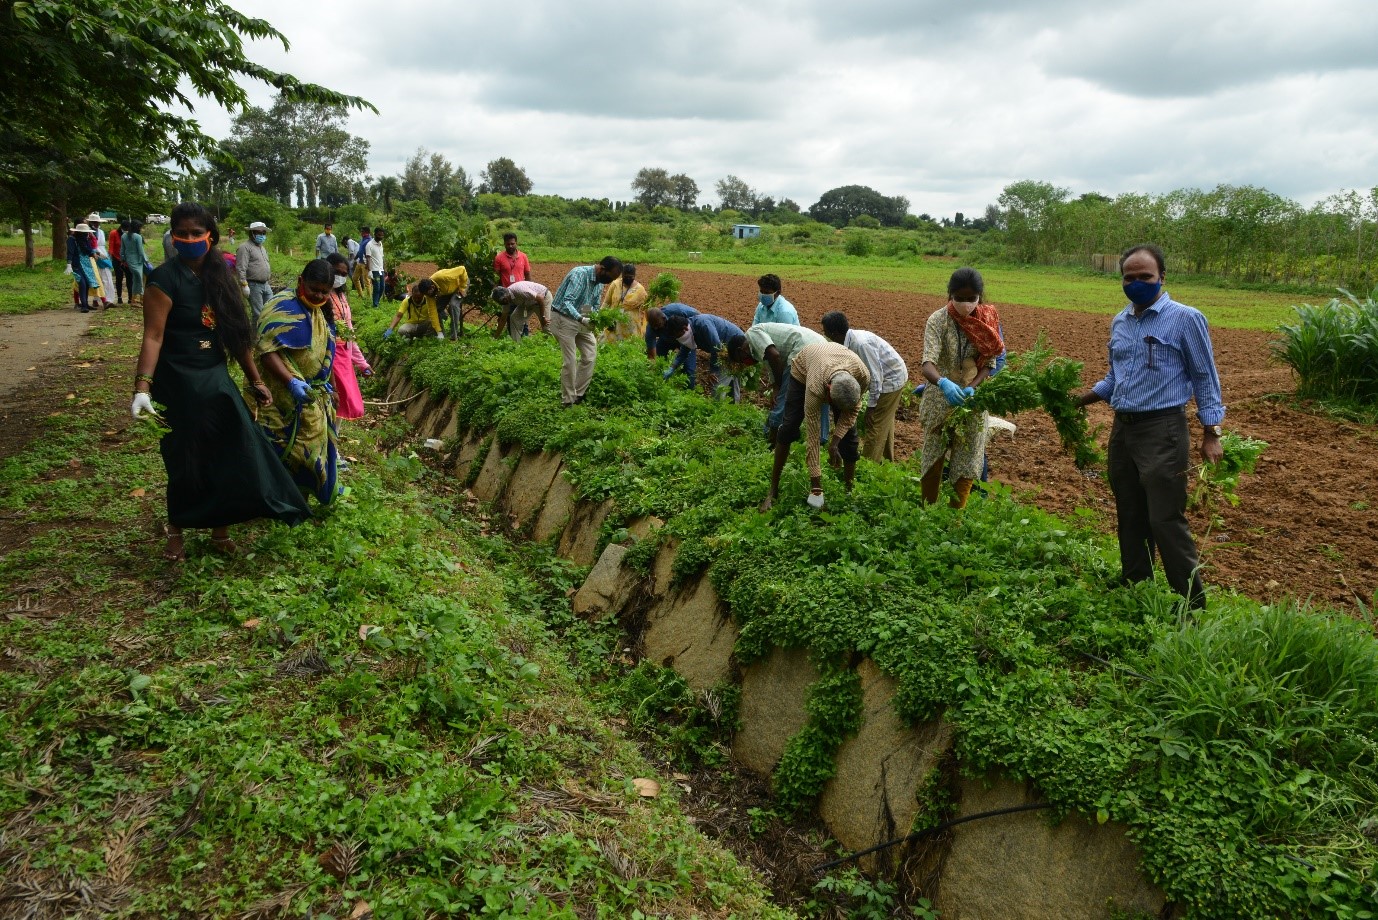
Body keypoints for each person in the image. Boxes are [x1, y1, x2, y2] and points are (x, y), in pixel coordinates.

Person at [131, 202, 309, 561]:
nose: (189, 239)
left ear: (210, 235)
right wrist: (142, 388)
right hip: (178, 377)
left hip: (213, 376)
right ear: (173, 236)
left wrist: (256, 380)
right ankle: (176, 532)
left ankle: (220, 531)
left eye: (197, 233)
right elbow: (153, 336)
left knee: (230, 450)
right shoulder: (163, 280)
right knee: (184, 456)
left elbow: (236, 337)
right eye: (182, 233)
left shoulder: (220, 276)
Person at [1076, 244, 1224, 609]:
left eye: (1146, 277)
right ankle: (1136, 584)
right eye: (1130, 277)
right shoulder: (1120, 321)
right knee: (1129, 511)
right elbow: (1116, 377)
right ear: (1121, 280)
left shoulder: (1185, 318)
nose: (1137, 283)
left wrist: (1211, 433)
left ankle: (1191, 602)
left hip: (1163, 430)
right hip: (1123, 429)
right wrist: (1080, 400)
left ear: (1162, 277)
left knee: (1164, 517)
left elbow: (1205, 376)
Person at [254, 260, 344, 506]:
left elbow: (327, 352)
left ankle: (299, 499)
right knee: (281, 448)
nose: (319, 295)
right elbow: (267, 350)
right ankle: (274, 500)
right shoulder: (280, 307)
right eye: (314, 289)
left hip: (312, 395)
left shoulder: (319, 313)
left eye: (325, 292)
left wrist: (332, 386)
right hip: (280, 396)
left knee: (311, 450)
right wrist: (291, 382)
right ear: (300, 282)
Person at [916, 267, 1004, 510]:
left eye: (971, 298)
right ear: (950, 295)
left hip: (972, 403)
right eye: (960, 298)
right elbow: (927, 363)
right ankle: (927, 511)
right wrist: (943, 382)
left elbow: (989, 363)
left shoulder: (987, 320)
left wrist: (973, 387)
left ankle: (956, 517)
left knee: (967, 460)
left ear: (980, 296)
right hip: (939, 400)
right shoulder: (938, 320)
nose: (966, 304)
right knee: (933, 456)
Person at [760, 342, 869, 512]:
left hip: (837, 365)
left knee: (850, 439)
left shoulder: (862, 376)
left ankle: (849, 493)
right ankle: (772, 491)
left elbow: (852, 411)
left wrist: (835, 443)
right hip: (804, 370)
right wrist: (816, 489)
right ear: (827, 390)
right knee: (789, 427)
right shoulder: (815, 386)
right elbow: (813, 435)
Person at [821, 311, 909, 462]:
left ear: (834, 333)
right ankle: (887, 461)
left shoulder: (860, 344)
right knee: (884, 421)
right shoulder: (848, 342)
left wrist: (871, 407)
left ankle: (868, 468)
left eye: (826, 333)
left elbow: (875, 378)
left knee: (874, 423)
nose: (825, 336)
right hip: (886, 376)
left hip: (891, 378)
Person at [728, 321, 827, 443]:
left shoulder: (751, 334)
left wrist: (780, 388)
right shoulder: (759, 349)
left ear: (740, 350)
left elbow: (774, 356)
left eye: (742, 360)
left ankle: (773, 435)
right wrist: (776, 387)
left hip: (804, 349)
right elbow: (771, 363)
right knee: (821, 393)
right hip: (824, 348)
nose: (745, 363)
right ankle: (821, 438)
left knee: (785, 398)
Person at [549, 256, 622, 406]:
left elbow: (593, 305)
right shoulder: (579, 274)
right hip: (563, 317)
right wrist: (581, 319)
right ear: (602, 269)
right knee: (570, 361)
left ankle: (577, 394)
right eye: (610, 277)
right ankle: (567, 401)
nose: (610, 282)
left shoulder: (599, 283)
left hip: (581, 319)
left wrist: (595, 319)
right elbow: (567, 302)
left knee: (590, 355)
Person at [662, 312, 745, 400]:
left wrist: (713, 370)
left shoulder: (703, 324)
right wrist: (672, 367)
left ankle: (718, 409)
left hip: (736, 347)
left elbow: (716, 347)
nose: (678, 339)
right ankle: (732, 407)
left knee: (718, 386)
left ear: (684, 328)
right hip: (725, 349)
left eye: (677, 336)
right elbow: (684, 351)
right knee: (730, 380)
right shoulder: (689, 331)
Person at [324, 253, 366, 421]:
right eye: (337, 272)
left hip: (344, 355)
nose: (340, 277)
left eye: (344, 274)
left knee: (344, 402)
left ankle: (333, 442)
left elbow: (349, 332)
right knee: (336, 399)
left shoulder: (342, 297)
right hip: (330, 353)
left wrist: (362, 363)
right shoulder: (322, 295)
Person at [599, 262, 650, 342]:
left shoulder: (640, 290)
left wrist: (644, 328)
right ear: (622, 275)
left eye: (631, 277)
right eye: (626, 276)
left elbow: (646, 309)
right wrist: (601, 315)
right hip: (613, 323)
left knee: (628, 349)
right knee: (609, 347)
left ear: (634, 276)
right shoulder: (615, 284)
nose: (628, 279)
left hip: (630, 327)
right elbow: (606, 302)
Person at [494, 233, 533, 336]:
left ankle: (525, 336)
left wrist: (530, 290)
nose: (510, 246)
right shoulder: (499, 258)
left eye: (512, 244)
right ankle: (513, 337)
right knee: (509, 317)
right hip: (506, 294)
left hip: (521, 293)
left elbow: (527, 274)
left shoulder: (523, 256)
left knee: (523, 316)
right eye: (508, 244)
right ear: (504, 244)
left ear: (516, 243)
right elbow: (496, 277)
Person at [236, 221, 273, 321]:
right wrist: (244, 285)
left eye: (263, 233)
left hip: (266, 284)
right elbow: (241, 267)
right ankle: (256, 335)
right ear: (251, 233)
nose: (261, 235)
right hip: (254, 285)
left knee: (271, 309)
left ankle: (266, 334)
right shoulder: (245, 247)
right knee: (258, 314)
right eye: (258, 233)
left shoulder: (262, 248)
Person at [428, 263, 470, 340]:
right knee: (437, 309)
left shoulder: (443, 277)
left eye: (431, 292)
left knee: (453, 305)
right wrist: (438, 331)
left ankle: (454, 337)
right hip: (446, 290)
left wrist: (462, 288)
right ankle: (441, 335)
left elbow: (462, 269)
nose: (431, 295)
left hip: (460, 283)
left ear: (432, 287)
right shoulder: (428, 293)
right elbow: (432, 311)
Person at [67, 223, 99, 312]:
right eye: (84, 232)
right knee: (82, 283)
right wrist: (69, 264)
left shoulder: (85, 239)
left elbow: (88, 250)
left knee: (87, 283)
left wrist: (94, 254)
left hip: (86, 263)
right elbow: (70, 252)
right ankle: (84, 306)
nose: (86, 234)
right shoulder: (72, 240)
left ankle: (86, 304)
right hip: (76, 264)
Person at [86, 213, 115, 308]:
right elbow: (91, 246)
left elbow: (102, 244)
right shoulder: (88, 233)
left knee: (106, 277)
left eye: (98, 222)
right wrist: (97, 253)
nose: (97, 224)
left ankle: (107, 298)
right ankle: (100, 298)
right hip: (94, 255)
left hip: (103, 253)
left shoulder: (101, 232)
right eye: (95, 222)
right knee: (98, 277)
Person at [123, 220, 152, 307]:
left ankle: (134, 299)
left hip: (129, 260)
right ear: (137, 228)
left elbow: (122, 249)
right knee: (139, 278)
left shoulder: (124, 236)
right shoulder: (138, 237)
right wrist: (146, 260)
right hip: (138, 261)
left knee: (136, 279)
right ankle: (141, 299)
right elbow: (140, 251)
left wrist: (123, 259)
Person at [362, 228, 387, 308]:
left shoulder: (380, 244)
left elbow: (382, 257)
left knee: (382, 287)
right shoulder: (369, 245)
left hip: (380, 270)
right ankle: (375, 304)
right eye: (379, 235)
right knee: (377, 287)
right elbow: (368, 258)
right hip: (374, 270)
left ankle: (377, 301)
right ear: (375, 234)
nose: (381, 236)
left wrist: (384, 268)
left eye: (382, 235)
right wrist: (369, 270)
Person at [350, 226, 371, 296]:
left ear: (366, 232)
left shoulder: (369, 241)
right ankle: (360, 294)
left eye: (362, 231)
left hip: (365, 263)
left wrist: (368, 264)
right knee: (355, 278)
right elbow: (360, 251)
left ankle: (369, 297)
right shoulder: (362, 239)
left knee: (366, 280)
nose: (361, 233)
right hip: (360, 262)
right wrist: (354, 259)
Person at [108, 219, 125, 305]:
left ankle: (130, 297)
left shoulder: (127, 234)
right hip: (116, 258)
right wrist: (110, 257)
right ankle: (119, 297)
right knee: (119, 278)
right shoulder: (114, 233)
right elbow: (111, 245)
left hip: (125, 259)